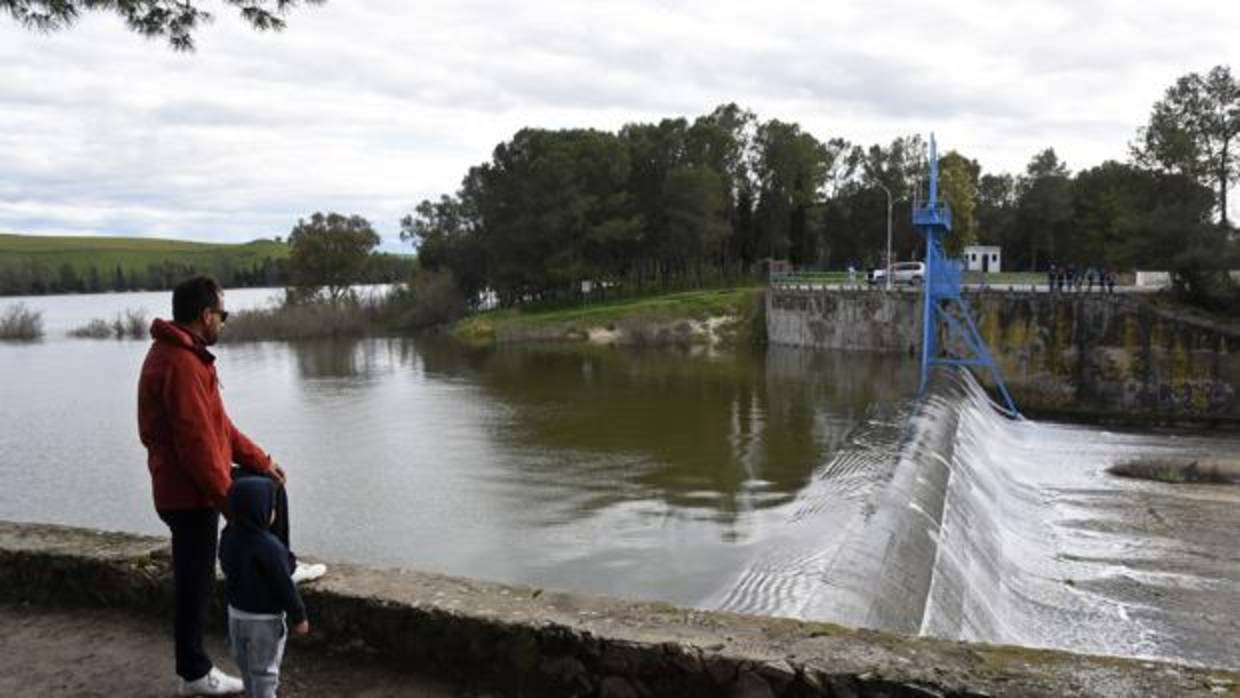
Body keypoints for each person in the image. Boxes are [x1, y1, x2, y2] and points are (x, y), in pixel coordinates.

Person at [137, 275, 324, 696]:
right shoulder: (181, 364)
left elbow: (219, 429)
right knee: (194, 583)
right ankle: (195, 674)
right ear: (206, 316)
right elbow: (198, 448)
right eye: (223, 314)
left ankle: (282, 566)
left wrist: (263, 461)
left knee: (269, 484)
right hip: (189, 493)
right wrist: (235, 509)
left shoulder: (188, 356)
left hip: (192, 484)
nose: (224, 322)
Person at [220, 477, 309, 698]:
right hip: (264, 622)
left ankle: (252, 693)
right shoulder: (269, 546)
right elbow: (284, 585)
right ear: (262, 510)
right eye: (272, 507)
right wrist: (300, 617)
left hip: (235, 615)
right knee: (265, 671)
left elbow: (225, 564)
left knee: (246, 665)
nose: (274, 512)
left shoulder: (228, 536)